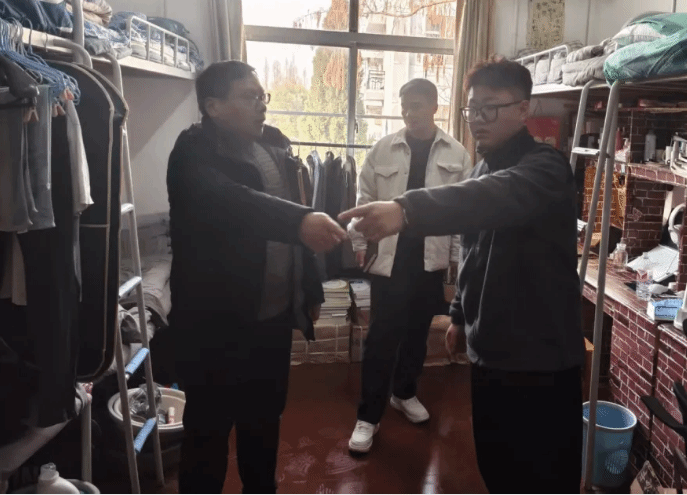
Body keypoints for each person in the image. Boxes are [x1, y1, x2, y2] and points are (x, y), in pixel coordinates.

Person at [339, 59, 584, 493]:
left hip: (540, 358)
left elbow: (489, 198)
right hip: (489, 352)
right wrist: (458, 315)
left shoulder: (546, 168)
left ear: (523, 109)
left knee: (544, 475)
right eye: (472, 109)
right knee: (497, 466)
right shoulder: (480, 170)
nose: (478, 120)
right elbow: (472, 251)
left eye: (491, 108)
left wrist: (404, 209)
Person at [166, 61, 347, 493]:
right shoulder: (192, 152)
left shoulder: (276, 145)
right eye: (250, 97)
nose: (262, 105)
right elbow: (232, 202)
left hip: (271, 323)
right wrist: (299, 221)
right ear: (213, 106)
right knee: (207, 433)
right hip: (215, 325)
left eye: (262, 96)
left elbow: (296, 225)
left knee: (263, 426)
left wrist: (310, 288)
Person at [347, 78, 472, 454]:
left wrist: (453, 265)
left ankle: (403, 393)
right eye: (404, 106)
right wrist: (359, 244)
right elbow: (364, 198)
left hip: (430, 260)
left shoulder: (456, 153)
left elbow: (460, 215)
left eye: (416, 105)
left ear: (434, 106)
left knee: (418, 334)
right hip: (390, 260)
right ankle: (368, 415)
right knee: (381, 338)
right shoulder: (383, 148)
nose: (409, 113)